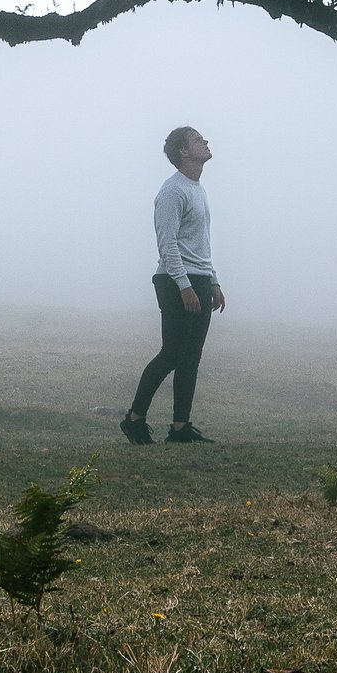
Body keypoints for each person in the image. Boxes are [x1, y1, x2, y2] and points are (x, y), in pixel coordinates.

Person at [122, 123, 223, 445]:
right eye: (196, 139)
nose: (205, 141)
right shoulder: (172, 191)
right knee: (171, 353)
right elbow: (167, 245)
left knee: (191, 357)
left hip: (200, 279)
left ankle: (180, 428)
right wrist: (184, 285)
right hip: (174, 280)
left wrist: (213, 281)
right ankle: (134, 419)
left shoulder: (198, 190)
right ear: (183, 151)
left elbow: (199, 242)